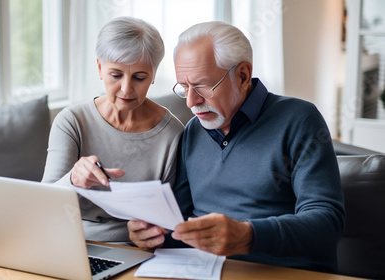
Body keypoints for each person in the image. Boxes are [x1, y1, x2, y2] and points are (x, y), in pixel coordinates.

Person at [128, 21, 345, 273]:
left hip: (283, 272)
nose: (191, 102)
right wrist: (153, 233)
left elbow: (327, 223)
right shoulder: (194, 131)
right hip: (201, 270)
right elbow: (179, 222)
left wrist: (248, 235)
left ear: (242, 75)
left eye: (201, 86)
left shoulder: (299, 119)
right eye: (184, 88)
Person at [41, 17, 184, 243]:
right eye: (116, 75)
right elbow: (42, 206)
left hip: (135, 249)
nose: (126, 89)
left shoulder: (173, 134)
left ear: (154, 74)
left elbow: (172, 218)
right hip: (70, 243)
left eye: (139, 77)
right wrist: (73, 180)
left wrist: (148, 235)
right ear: (99, 68)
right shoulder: (72, 121)